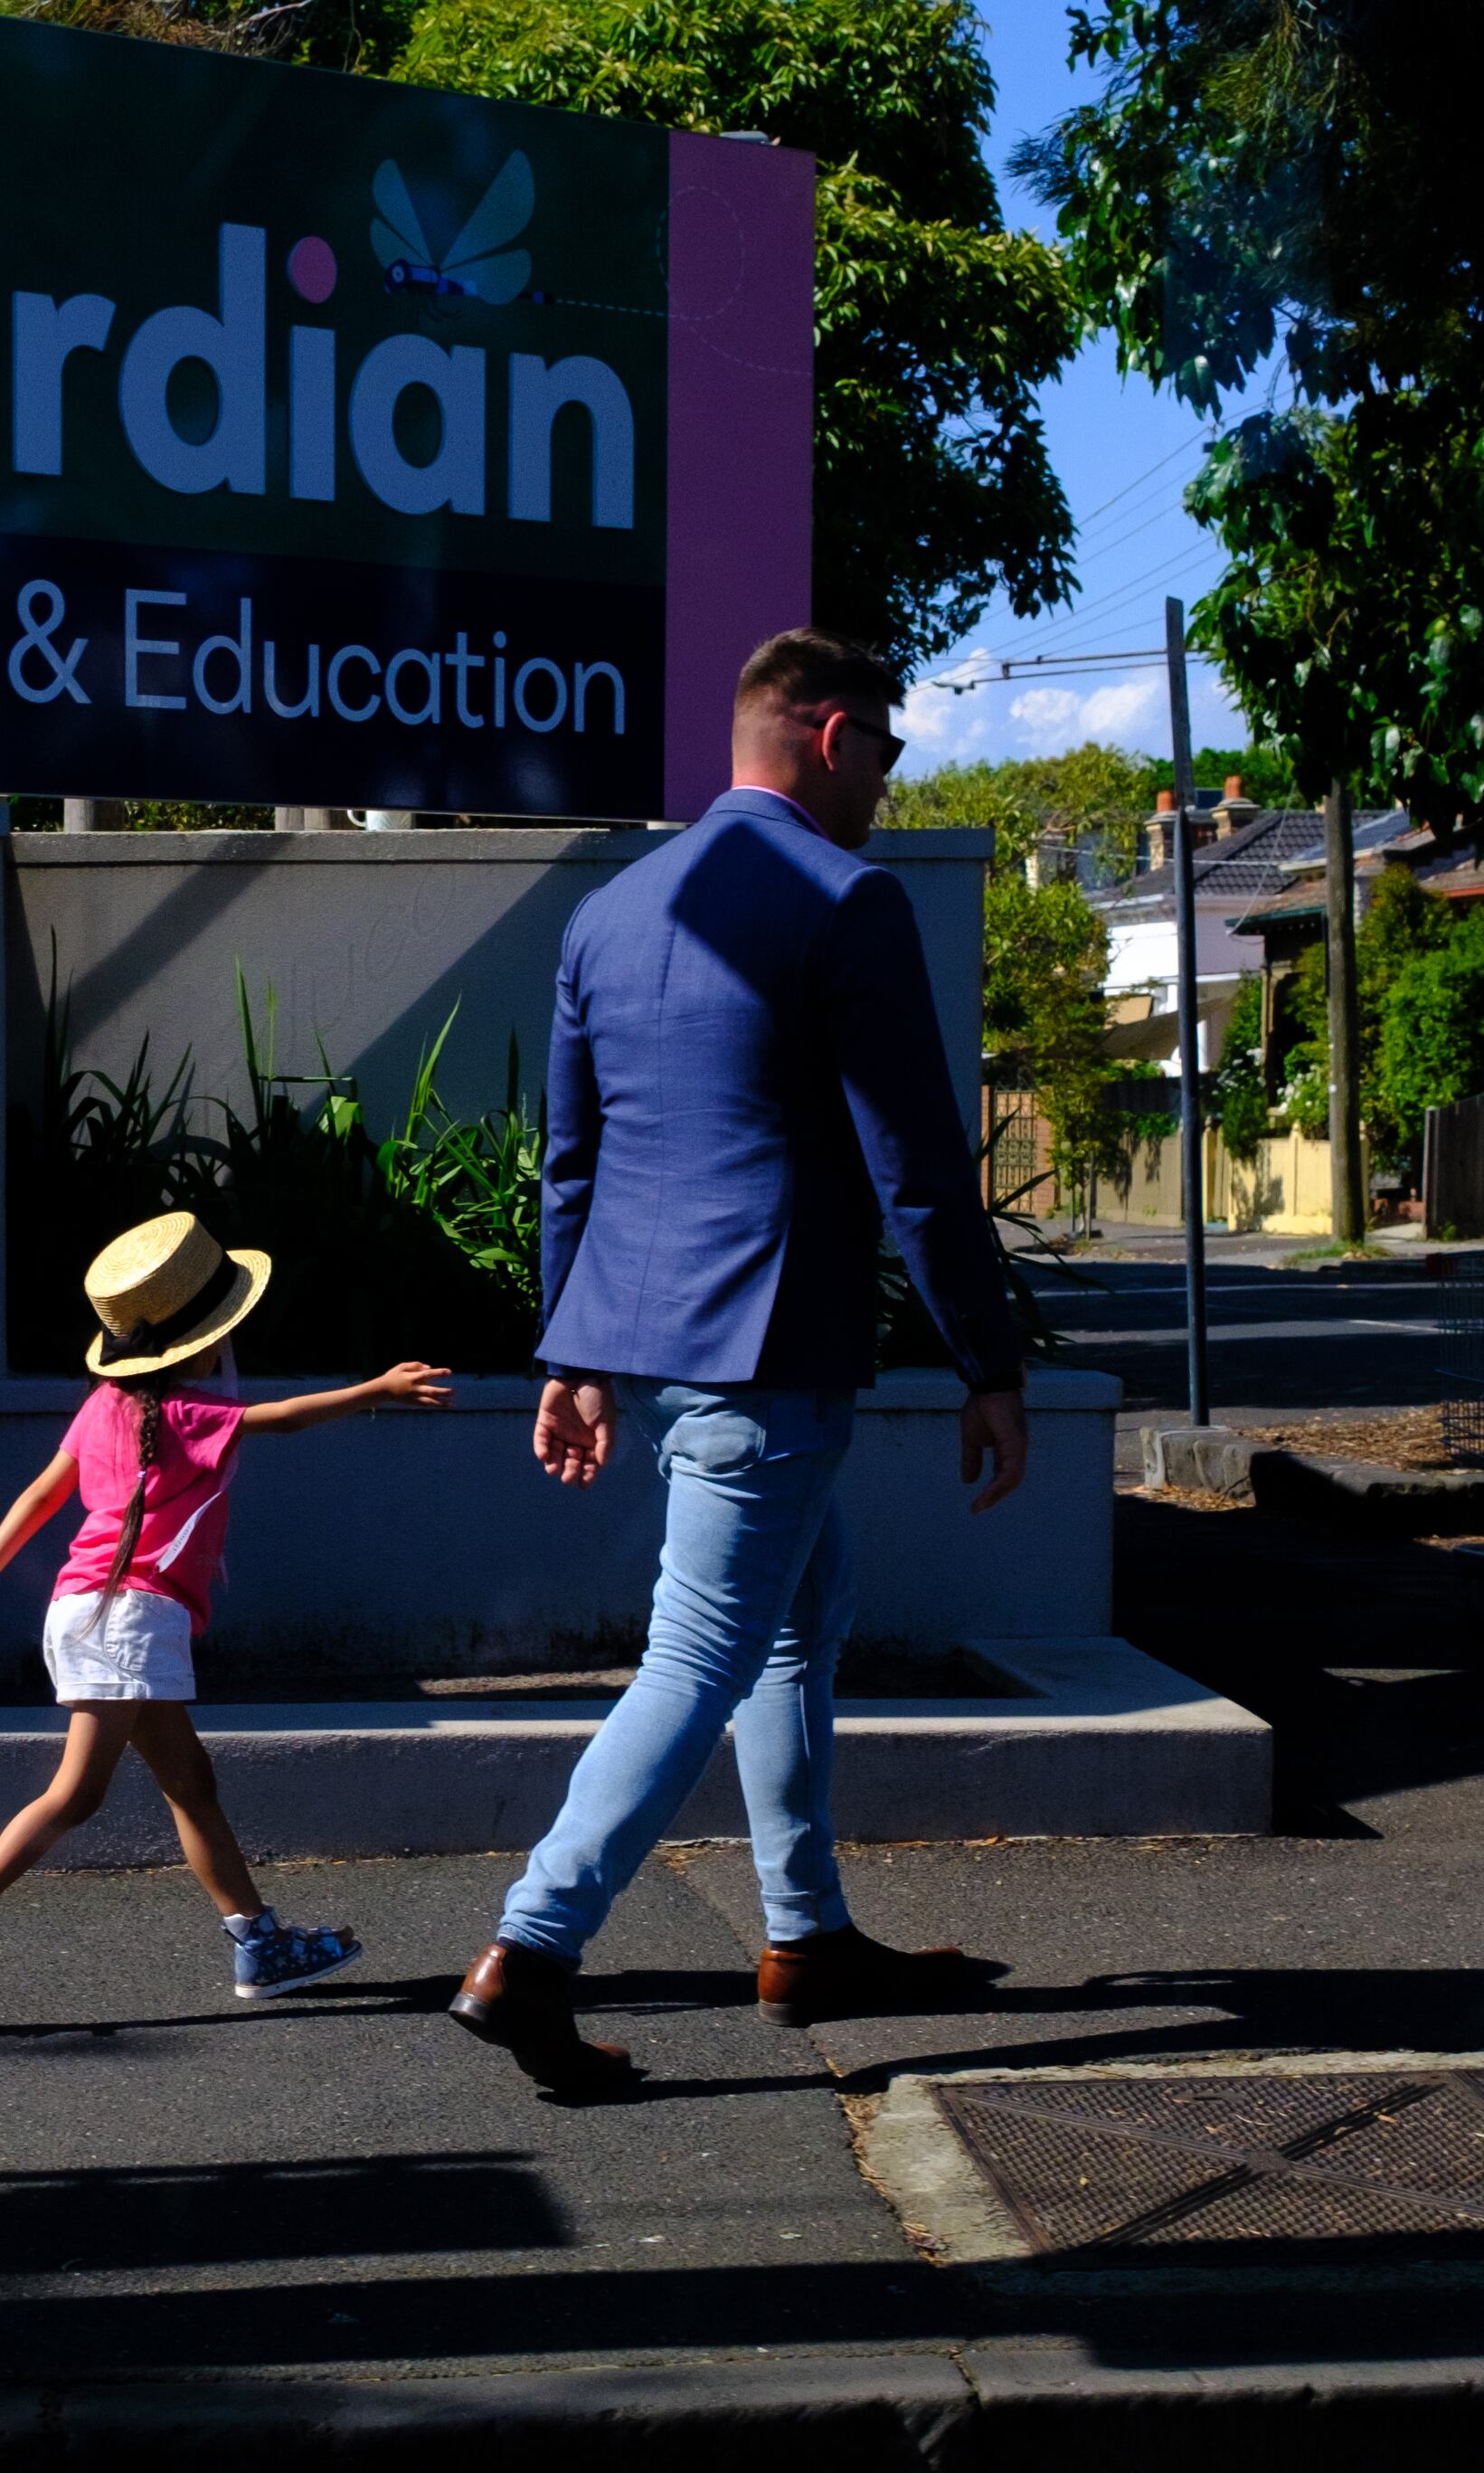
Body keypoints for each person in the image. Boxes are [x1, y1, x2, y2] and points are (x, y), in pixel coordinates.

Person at [448, 629, 1028, 2097]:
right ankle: (532, 1944)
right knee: (703, 1650)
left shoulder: (613, 910)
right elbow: (916, 1159)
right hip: (771, 1347)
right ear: (831, 735)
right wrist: (990, 1359)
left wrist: (572, 1350)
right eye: (886, 753)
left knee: (799, 1602)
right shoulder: (847, 899)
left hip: (662, 1343)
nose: (889, 783)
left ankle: (806, 1933)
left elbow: (572, 1162)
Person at [0, 1210, 452, 2034]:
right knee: (77, 1795)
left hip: (93, 1610)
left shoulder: (109, 1406)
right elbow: (279, 1418)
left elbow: (41, 1496)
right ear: (203, 1344)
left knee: (191, 1785)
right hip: (127, 1616)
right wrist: (375, 1391)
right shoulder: (187, 1416)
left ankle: (258, 1942)